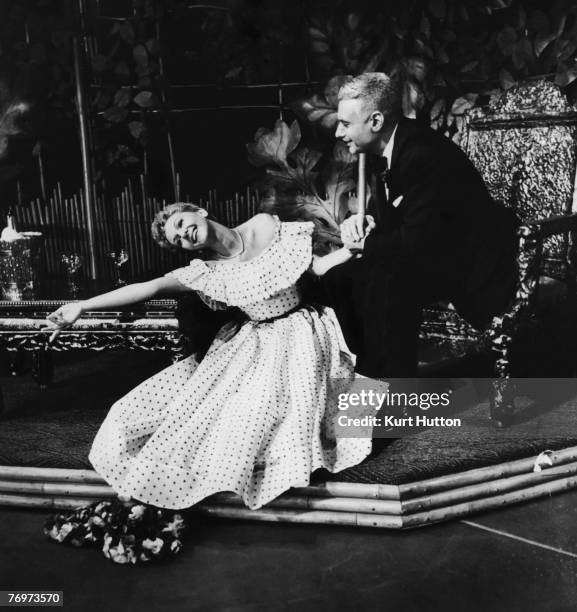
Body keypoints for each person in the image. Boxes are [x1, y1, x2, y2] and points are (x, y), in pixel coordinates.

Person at [43, 204, 372, 516]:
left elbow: (312, 267)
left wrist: (350, 251)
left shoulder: (263, 224)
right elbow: (149, 287)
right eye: (177, 240)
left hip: (302, 328)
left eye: (182, 224)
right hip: (256, 341)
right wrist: (82, 306)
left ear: (198, 211)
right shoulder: (205, 272)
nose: (185, 235)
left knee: (300, 407)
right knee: (229, 415)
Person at [322, 73, 519, 378]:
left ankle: (391, 395)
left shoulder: (423, 154)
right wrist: (367, 222)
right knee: (341, 278)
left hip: (476, 267)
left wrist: (365, 244)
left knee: (387, 279)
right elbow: (404, 217)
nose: (338, 132)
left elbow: (417, 243)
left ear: (375, 122)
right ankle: (360, 374)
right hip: (432, 253)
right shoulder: (382, 148)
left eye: (346, 124)